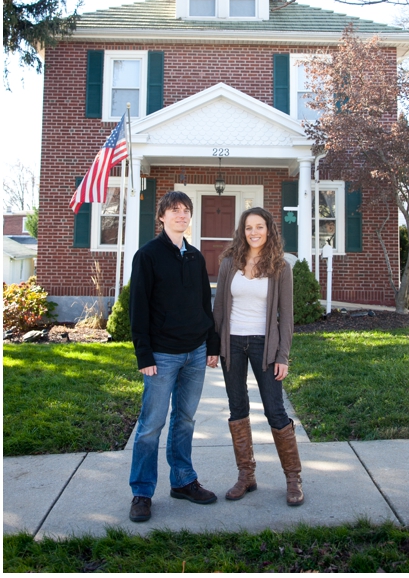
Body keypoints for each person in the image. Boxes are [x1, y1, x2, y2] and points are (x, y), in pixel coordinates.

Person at [128, 191, 220, 523]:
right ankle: (141, 492)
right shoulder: (148, 256)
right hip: (162, 356)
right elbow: (137, 308)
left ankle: (182, 480)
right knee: (151, 425)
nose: (181, 215)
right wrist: (144, 354)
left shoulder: (195, 257)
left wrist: (211, 346)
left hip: (195, 353)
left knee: (185, 421)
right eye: (174, 210)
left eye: (185, 210)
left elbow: (203, 305)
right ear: (162, 217)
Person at [212, 207, 303, 506]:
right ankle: (246, 475)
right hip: (233, 344)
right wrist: (214, 346)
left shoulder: (280, 267)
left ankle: (293, 478)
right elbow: (219, 310)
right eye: (249, 227)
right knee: (237, 408)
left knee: (275, 410)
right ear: (242, 230)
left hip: (265, 345)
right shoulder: (229, 263)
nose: (254, 232)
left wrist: (283, 355)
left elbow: (286, 317)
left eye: (259, 227)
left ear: (269, 230)